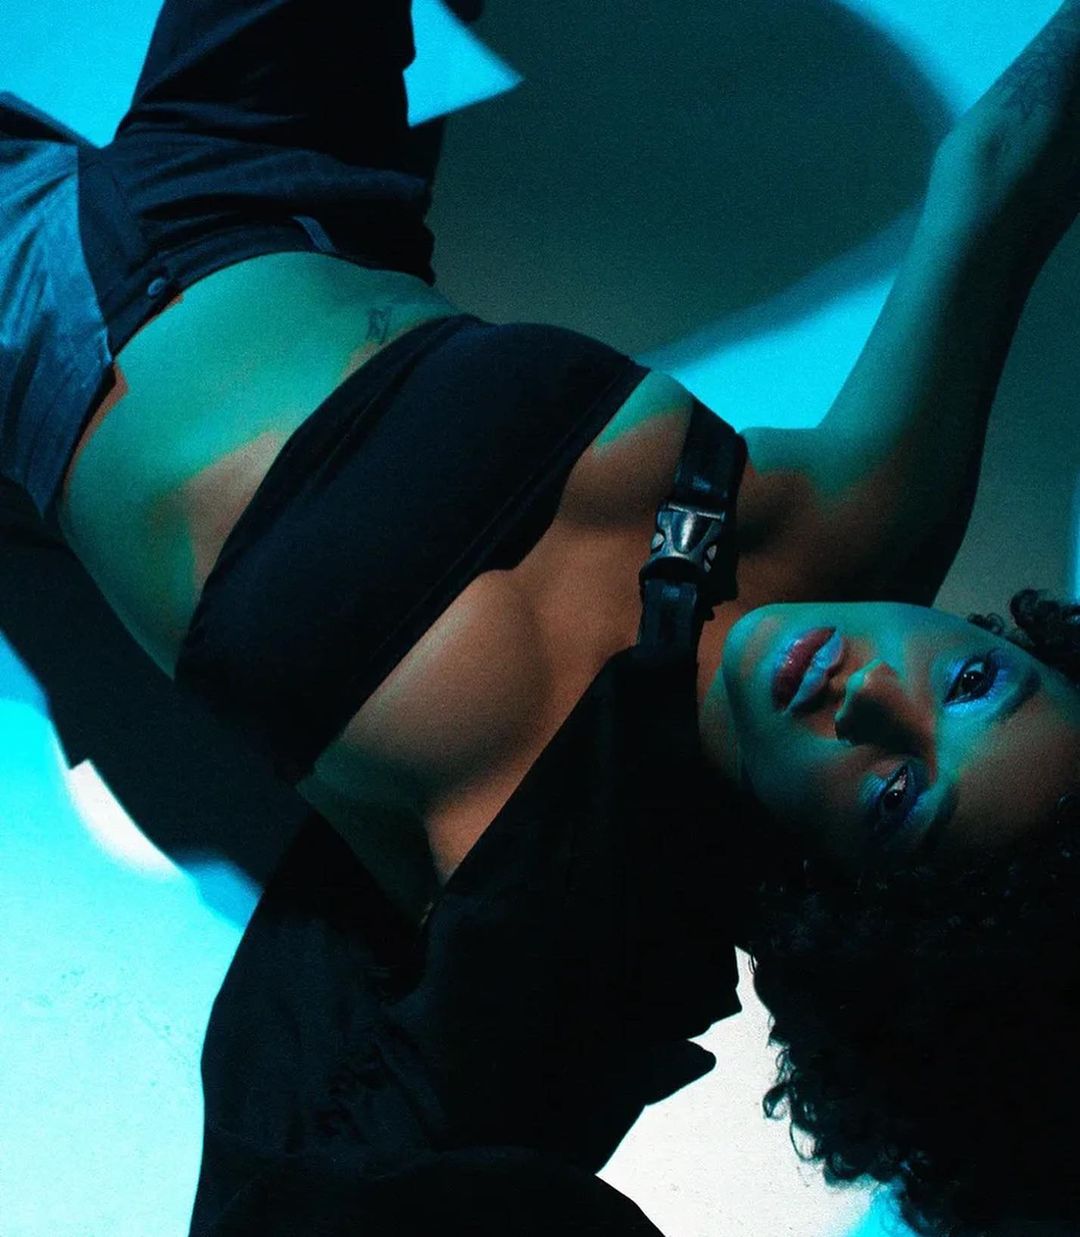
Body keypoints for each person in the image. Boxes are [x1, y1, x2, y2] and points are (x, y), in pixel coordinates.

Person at [5, 0, 1080, 1232]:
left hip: (40, 323)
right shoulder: (867, 522)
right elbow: (1009, 157)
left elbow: (336, 1186)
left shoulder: (571, 923)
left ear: (858, 912)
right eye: (975, 684)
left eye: (895, 796)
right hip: (278, 184)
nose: (875, 692)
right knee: (877, 92)